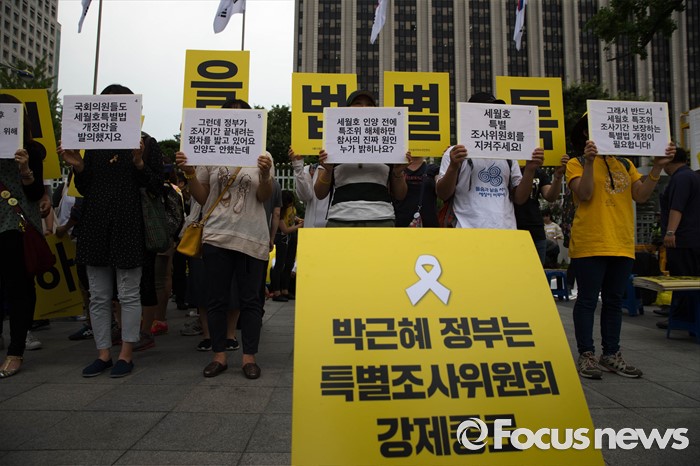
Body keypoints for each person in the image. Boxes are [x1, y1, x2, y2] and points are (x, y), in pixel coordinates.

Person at [58, 84, 164, 378]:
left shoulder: (146, 143)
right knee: (98, 295)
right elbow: (85, 188)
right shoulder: (92, 143)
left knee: (128, 294)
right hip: (95, 225)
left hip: (129, 226)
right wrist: (79, 165)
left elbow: (157, 187)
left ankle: (126, 354)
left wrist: (139, 162)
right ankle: (103, 353)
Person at [566, 113, 675, 379]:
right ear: (585, 133)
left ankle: (611, 354)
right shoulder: (575, 163)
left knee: (614, 301)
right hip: (590, 242)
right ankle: (587, 355)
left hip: (621, 242)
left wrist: (657, 168)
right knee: (587, 300)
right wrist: (589, 162)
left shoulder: (625, 163)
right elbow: (585, 194)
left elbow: (641, 195)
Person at [176, 98, 273, 380]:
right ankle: (219, 355)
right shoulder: (210, 151)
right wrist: (190, 173)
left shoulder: (263, 155)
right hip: (216, 235)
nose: (236, 122)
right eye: (230, 116)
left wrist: (265, 174)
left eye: (242, 117)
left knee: (250, 301)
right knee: (216, 298)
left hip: (251, 237)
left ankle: (249, 357)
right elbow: (203, 197)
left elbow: (263, 197)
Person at [436, 91, 542, 229]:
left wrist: (530, 170)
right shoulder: (455, 153)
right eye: (487, 111)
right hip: (467, 231)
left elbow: (520, 199)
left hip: (505, 231)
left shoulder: (509, 153)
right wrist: (453, 167)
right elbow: (443, 194)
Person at [0, 93, 46, 378]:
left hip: (16, 226)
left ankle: (16, 350)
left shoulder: (32, 150)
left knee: (19, 288)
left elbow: (35, 192)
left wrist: (25, 169)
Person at [314, 90, 409, 227]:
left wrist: (398, 173)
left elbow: (400, 195)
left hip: (381, 218)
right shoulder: (334, 143)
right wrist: (328, 171)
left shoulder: (388, 144)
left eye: (369, 104)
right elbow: (319, 193)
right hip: (340, 219)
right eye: (357, 103)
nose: (364, 107)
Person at [657, 147, 700, 328]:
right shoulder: (692, 176)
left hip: (682, 239)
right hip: (693, 238)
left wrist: (670, 232)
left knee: (682, 281)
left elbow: (677, 206)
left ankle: (682, 318)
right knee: (692, 280)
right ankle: (688, 317)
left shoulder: (681, 178)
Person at [515, 155, 568, 263]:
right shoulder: (507, 166)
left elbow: (550, 196)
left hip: (535, 230)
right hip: (511, 228)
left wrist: (558, 177)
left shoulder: (538, 171)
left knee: (537, 271)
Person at [270, 190, 303, 302]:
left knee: (289, 263)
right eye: (289, 203)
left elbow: (292, 217)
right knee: (280, 264)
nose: (291, 205)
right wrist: (300, 226)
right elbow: (285, 230)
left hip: (291, 238)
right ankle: (276, 291)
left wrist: (298, 220)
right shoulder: (279, 213)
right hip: (282, 239)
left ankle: (285, 290)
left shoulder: (290, 209)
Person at [393, 156, 440, 227]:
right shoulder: (395, 168)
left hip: (428, 225)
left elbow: (442, 193)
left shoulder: (434, 169)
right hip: (399, 223)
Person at [290, 148, 329, 228]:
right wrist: (298, 166)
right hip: (311, 227)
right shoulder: (309, 170)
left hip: (335, 227)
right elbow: (305, 196)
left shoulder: (342, 170)